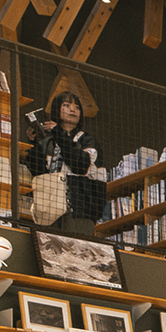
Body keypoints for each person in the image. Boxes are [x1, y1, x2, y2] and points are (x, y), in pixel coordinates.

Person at [22, 90, 109, 233]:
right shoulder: (48, 142)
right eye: (67, 105)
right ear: (57, 109)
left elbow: (80, 166)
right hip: (51, 208)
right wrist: (33, 143)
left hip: (80, 209)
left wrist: (58, 132)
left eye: (77, 107)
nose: (73, 110)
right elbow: (39, 173)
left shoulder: (87, 140)